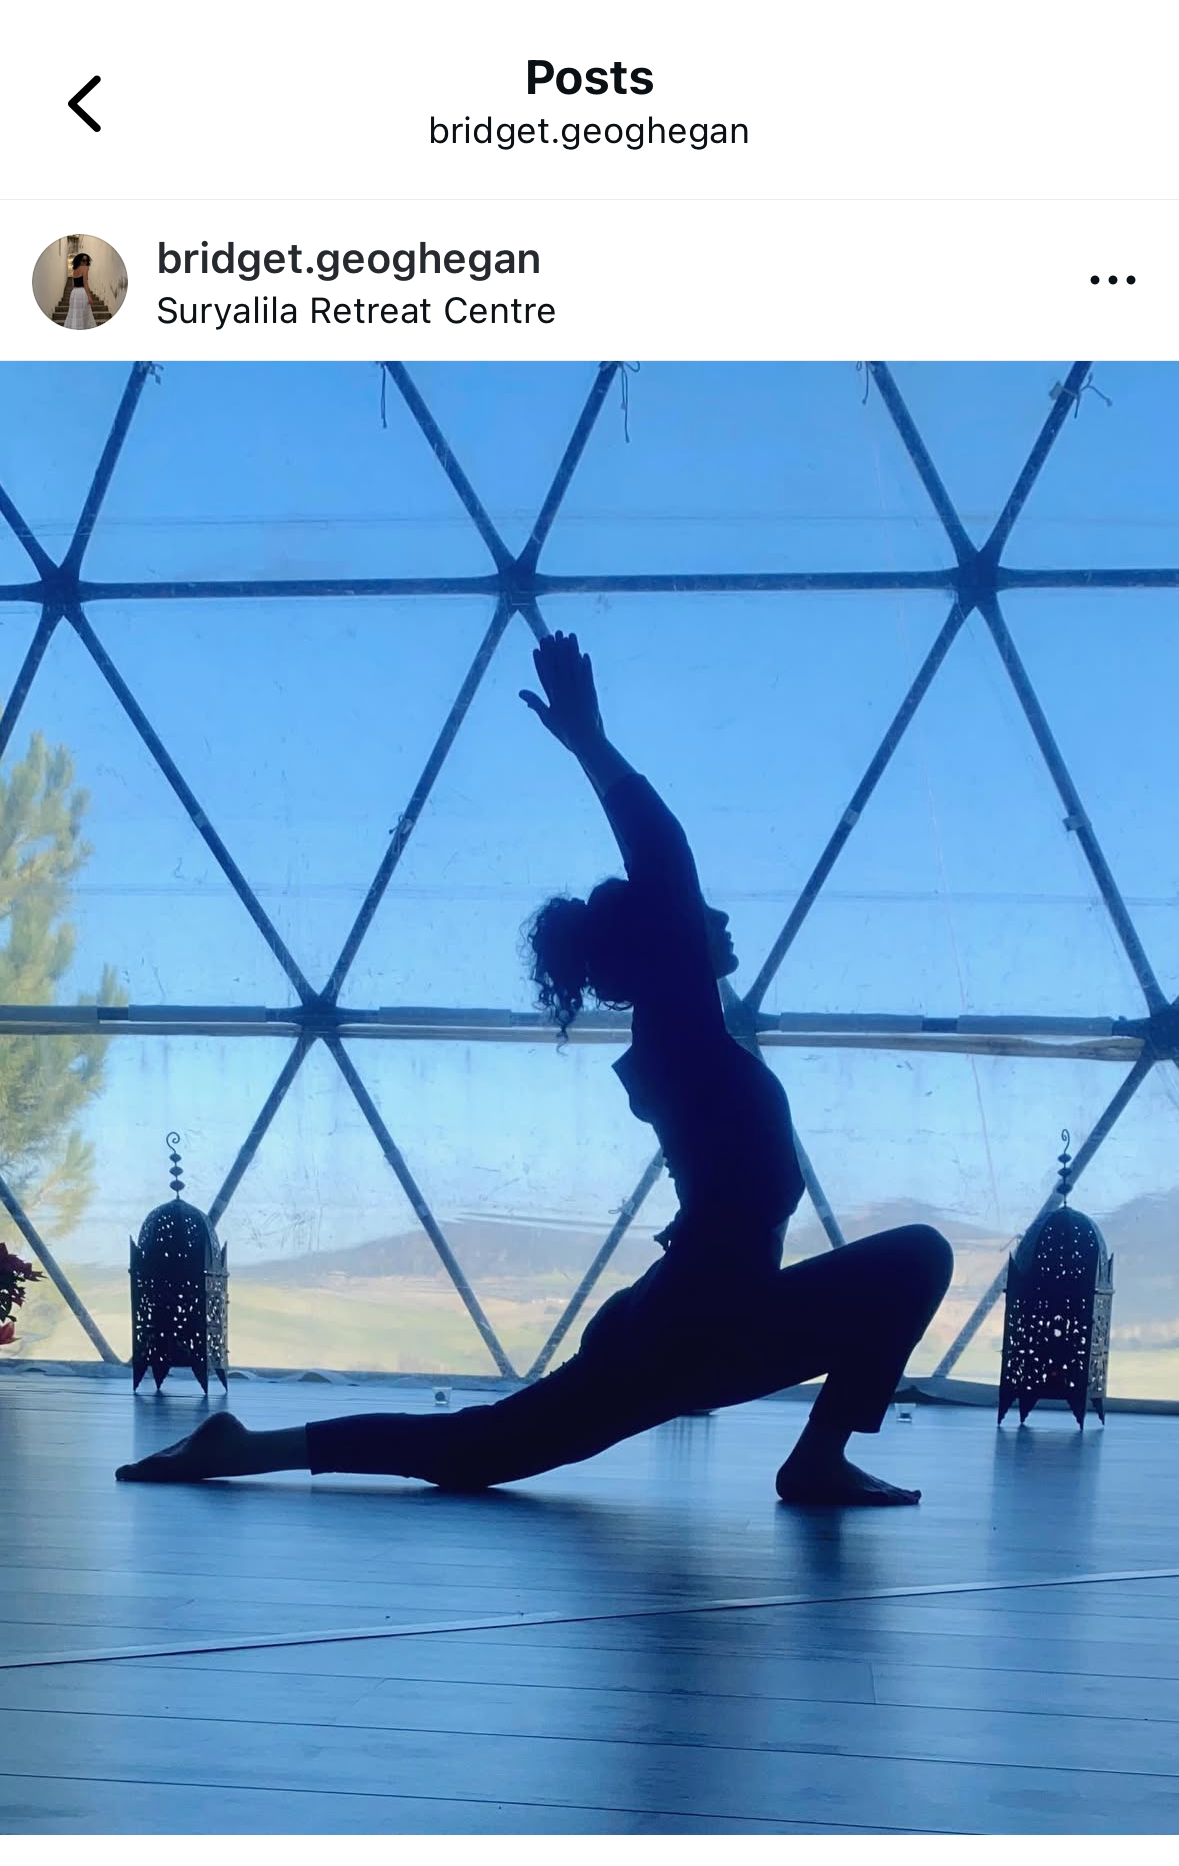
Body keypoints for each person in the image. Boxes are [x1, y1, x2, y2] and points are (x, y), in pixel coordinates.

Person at [116, 633, 952, 1506]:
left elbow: (673, 901)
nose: (718, 917)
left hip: (697, 1315)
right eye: (696, 914)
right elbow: (664, 856)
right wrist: (590, 742)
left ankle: (244, 1448)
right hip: (694, 1326)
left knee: (478, 1448)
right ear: (663, 943)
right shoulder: (684, 1036)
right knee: (913, 1259)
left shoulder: (684, 1047)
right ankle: (241, 1449)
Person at [63, 253, 95, 331]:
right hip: (81, 293)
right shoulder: (85, 268)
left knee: (74, 312)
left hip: (74, 293)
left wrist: (74, 293)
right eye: (83, 260)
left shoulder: (75, 269)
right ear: (79, 260)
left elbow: (73, 283)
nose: (85, 262)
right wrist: (90, 297)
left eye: (86, 260)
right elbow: (85, 283)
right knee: (83, 312)